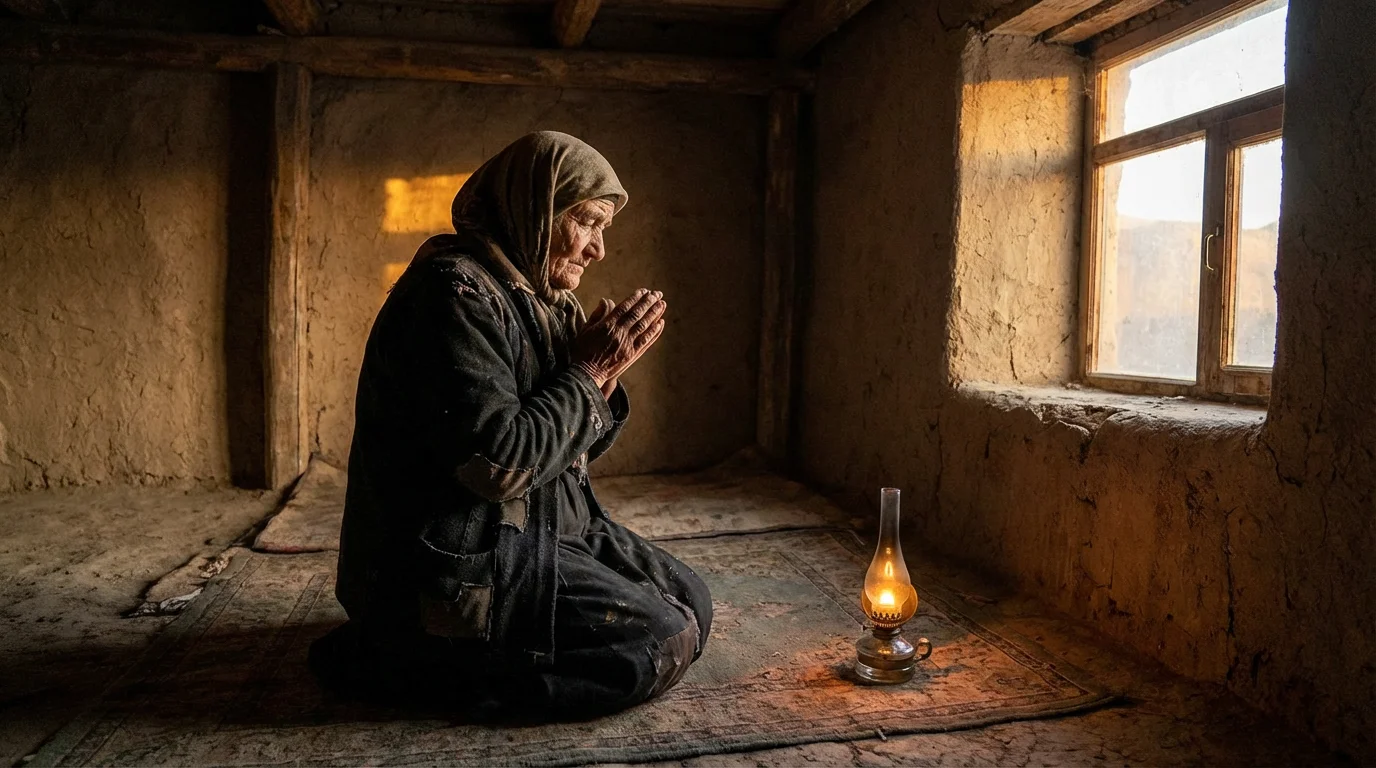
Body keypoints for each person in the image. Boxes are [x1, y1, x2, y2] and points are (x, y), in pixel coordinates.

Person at [310, 131, 712, 719]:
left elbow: (564, 455)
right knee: (657, 641)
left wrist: (601, 379)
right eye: (586, 222)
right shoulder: (453, 296)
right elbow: (499, 465)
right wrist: (589, 370)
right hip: (455, 553)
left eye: (604, 228)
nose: (598, 250)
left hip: (538, 529)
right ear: (534, 208)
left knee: (693, 603)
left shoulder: (540, 298)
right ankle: (401, 668)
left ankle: (472, 653)